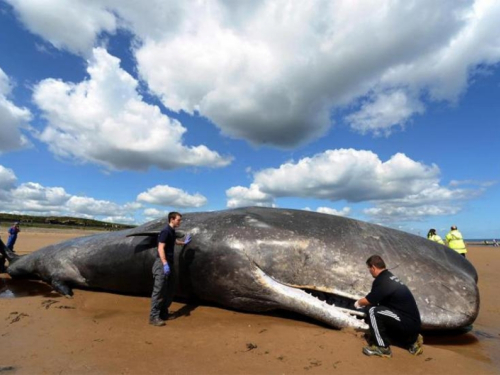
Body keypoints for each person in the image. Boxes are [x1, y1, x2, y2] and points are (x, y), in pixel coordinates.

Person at [354, 255, 423, 358]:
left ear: (373, 267)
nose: (369, 271)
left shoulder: (383, 281)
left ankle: (382, 348)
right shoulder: (389, 277)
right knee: (378, 310)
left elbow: (368, 300)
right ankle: (412, 341)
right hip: (413, 324)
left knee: (373, 311)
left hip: (407, 324)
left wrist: (356, 304)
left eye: (369, 269)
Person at [149, 212, 191, 327]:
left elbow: (172, 241)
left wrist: (183, 243)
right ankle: (153, 316)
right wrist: (164, 263)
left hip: (169, 264)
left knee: (171, 289)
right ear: (172, 219)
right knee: (159, 290)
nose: (180, 222)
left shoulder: (171, 232)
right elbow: (161, 247)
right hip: (162, 263)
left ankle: (163, 312)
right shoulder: (165, 231)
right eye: (178, 220)